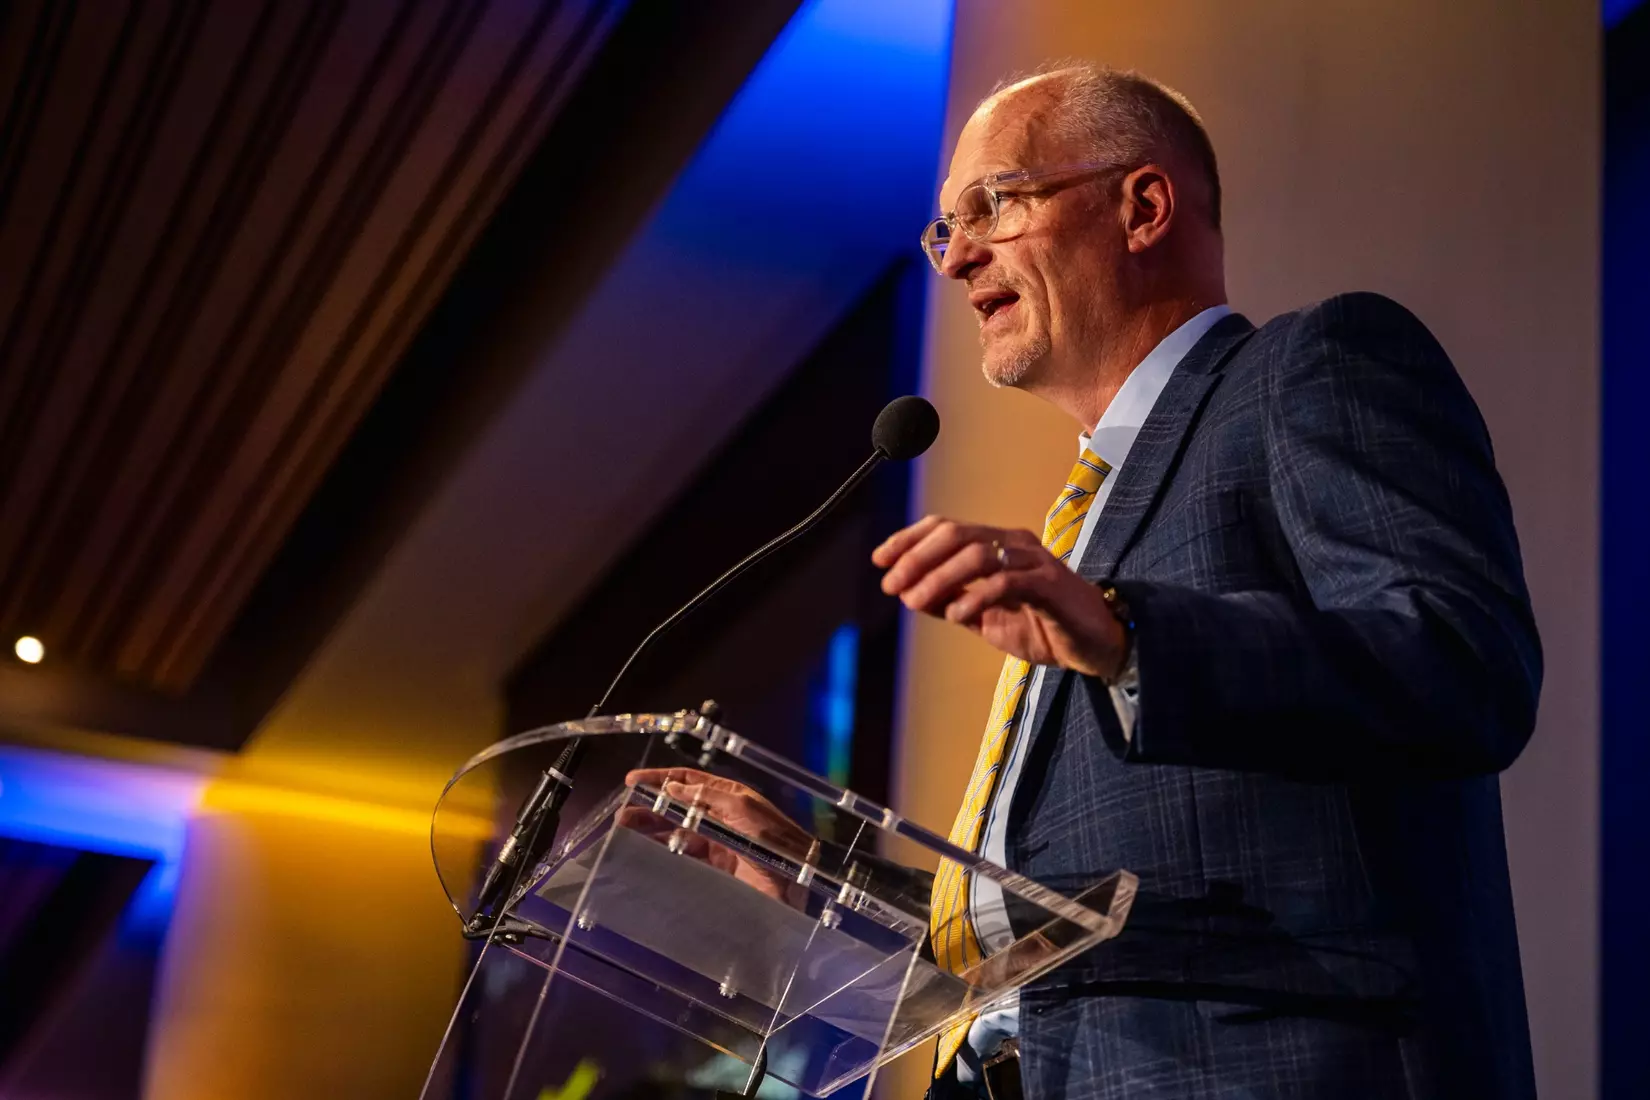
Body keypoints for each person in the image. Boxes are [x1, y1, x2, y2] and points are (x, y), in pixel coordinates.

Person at [864, 63, 1541, 1099]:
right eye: (946, 226)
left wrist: (1134, 638)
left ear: (1141, 206)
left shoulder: (1312, 369)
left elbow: (1464, 662)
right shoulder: (1086, 515)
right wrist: (828, 885)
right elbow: (1083, 901)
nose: (957, 257)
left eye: (993, 204)